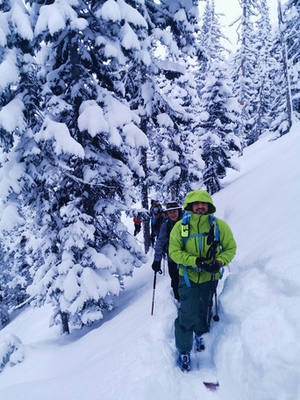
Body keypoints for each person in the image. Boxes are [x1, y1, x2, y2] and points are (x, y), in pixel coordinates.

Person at [169, 190, 237, 372]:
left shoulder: (218, 226)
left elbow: (230, 247)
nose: (200, 206)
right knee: (187, 312)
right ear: (190, 206)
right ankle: (184, 349)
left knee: (204, 307)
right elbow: (174, 251)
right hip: (188, 277)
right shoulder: (181, 227)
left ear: (208, 206)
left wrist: (220, 261)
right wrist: (194, 261)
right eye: (196, 204)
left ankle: (200, 334)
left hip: (210, 277)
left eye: (203, 203)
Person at [151, 202, 183, 301]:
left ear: (179, 211)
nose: (172, 214)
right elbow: (160, 242)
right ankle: (178, 300)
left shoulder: (186, 222)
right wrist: (157, 260)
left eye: (174, 212)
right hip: (172, 258)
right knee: (175, 279)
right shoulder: (166, 225)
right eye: (170, 212)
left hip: (186, 258)